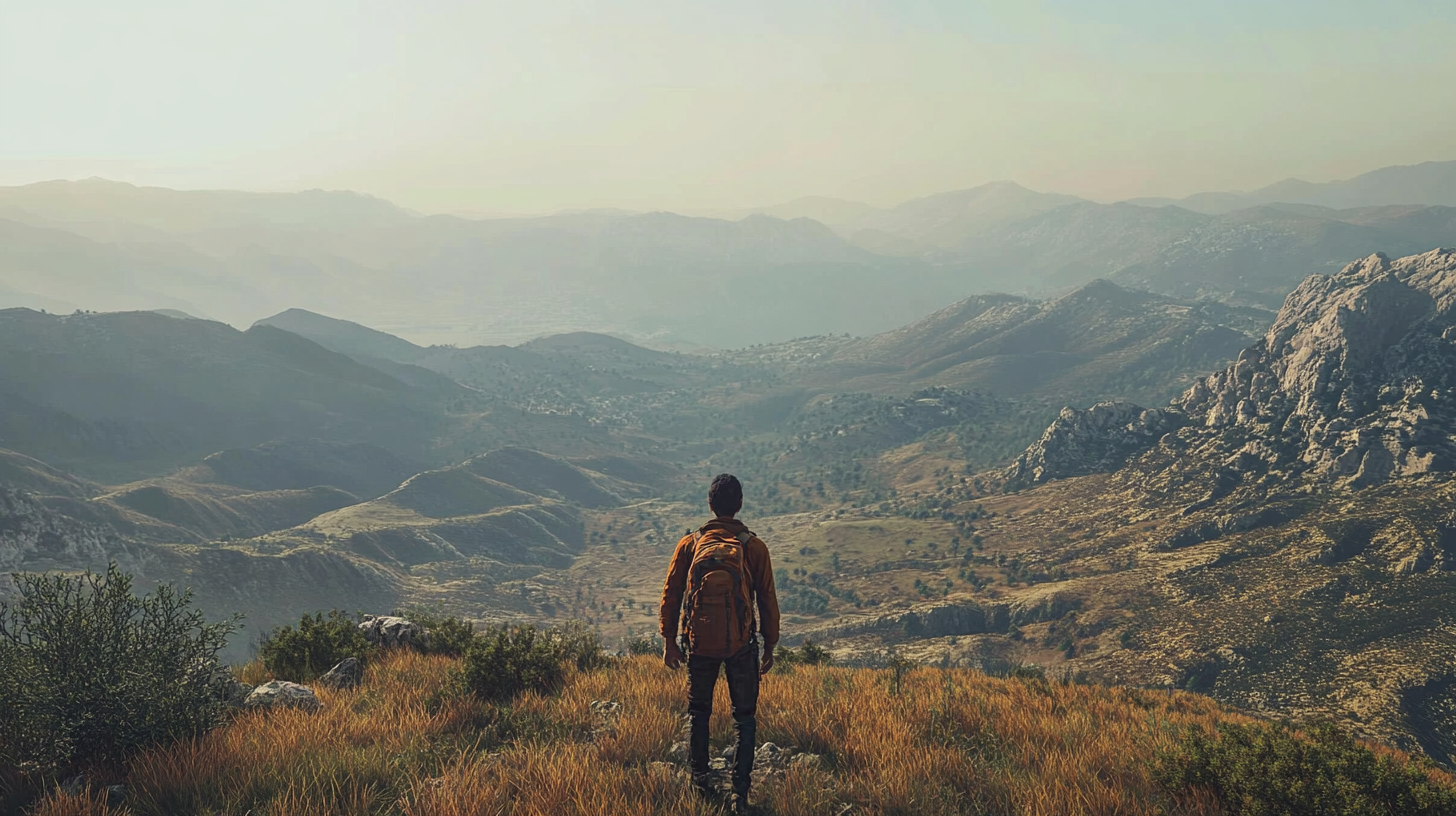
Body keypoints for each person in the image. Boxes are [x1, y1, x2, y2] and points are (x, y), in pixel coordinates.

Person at [659, 473, 779, 813]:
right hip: (742, 646)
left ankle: (700, 784)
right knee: (744, 718)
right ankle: (739, 793)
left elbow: (671, 594)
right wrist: (770, 644)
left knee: (699, 713)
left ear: (710, 506)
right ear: (739, 504)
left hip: (698, 643)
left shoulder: (690, 544)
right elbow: (767, 599)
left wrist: (670, 640)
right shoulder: (753, 546)